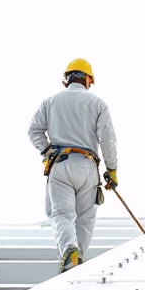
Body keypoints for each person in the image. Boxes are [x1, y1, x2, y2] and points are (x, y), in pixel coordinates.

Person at [28, 59, 119, 272]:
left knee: (61, 214)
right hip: (88, 166)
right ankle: (79, 261)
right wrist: (112, 170)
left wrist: (46, 149)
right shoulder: (97, 104)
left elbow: (34, 130)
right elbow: (108, 140)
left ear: (66, 80)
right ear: (88, 80)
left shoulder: (50, 102)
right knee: (85, 219)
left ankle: (70, 252)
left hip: (60, 164)